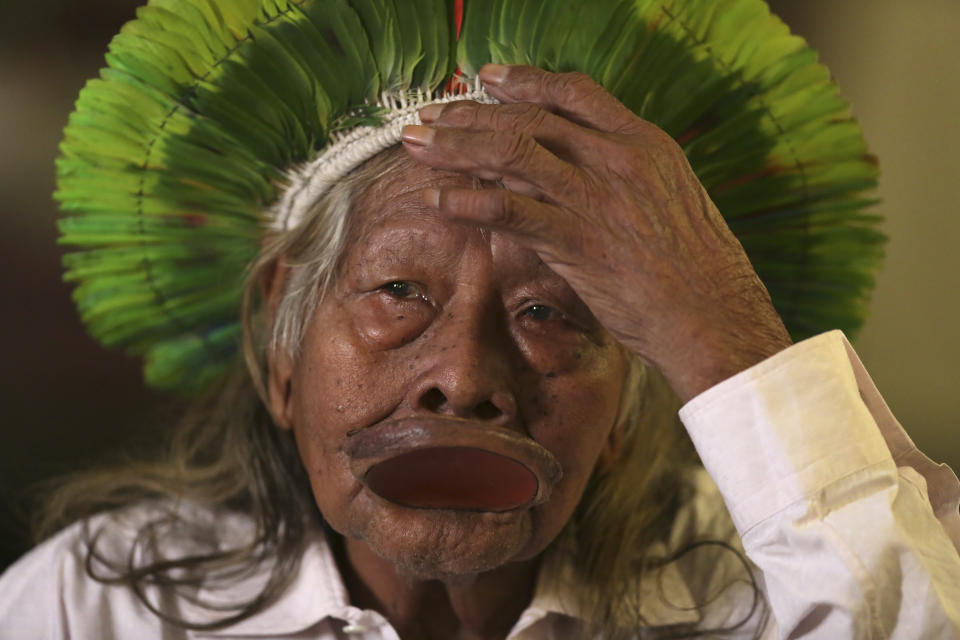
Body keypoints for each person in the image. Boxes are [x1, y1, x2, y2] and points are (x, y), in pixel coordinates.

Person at [1, 1, 959, 638]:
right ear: (282, 348)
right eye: (398, 295)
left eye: (547, 312)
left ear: (628, 402)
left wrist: (722, 328)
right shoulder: (90, 607)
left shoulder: (749, 595)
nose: (462, 377)